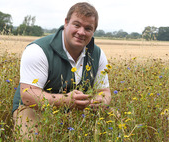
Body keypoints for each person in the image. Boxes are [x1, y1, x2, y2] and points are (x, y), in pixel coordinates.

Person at [12, 2, 111, 140]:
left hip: (79, 109)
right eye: (77, 25)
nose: (81, 32)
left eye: (88, 28)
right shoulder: (38, 50)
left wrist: (99, 101)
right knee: (31, 137)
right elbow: (28, 95)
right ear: (66, 23)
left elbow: (105, 92)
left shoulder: (98, 55)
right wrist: (66, 101)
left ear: (93, 31)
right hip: (34, 108)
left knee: (116, 121)